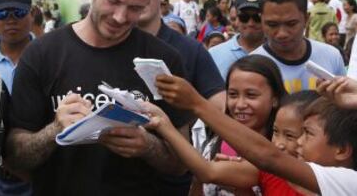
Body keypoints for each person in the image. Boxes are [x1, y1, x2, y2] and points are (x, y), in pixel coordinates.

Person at [6, 0, 192, 196]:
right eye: (112, 0)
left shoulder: (163, 60)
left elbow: (182, 163)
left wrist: (148, 146)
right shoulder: (42, 54)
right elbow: (15, 157)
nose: (120, 17)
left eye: (135, 8)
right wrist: (54, 131)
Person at [153, 75, 357, 195]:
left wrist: (196, 104)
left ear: (342, 150)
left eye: (307, 134)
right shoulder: (269, 174)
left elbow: (267, 156)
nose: (297, 143)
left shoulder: (349, 184)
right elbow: (208, 171)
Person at [137, 0, 227, 195]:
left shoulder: (189, 49)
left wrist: (192, 105)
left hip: (175, 184)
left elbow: (222, 108)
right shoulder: (104, 45)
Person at [252, 0, 345, 93]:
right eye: (272, 25)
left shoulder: (332, 56)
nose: (282, 34)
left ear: (306, 19)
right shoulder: (251, 66)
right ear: (261, 20)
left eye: (291, 24)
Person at [0, 0, 34, 196]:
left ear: (32, 12)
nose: (11, 20)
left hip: (40, 174)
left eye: (18, 12)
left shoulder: (51, 56)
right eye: (2, 13)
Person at [209, 0, 265, 80]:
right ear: (236, 19)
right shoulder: (214, 54)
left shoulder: (278, 52)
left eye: (257, 17)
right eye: (244, 17)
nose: (250, 23)